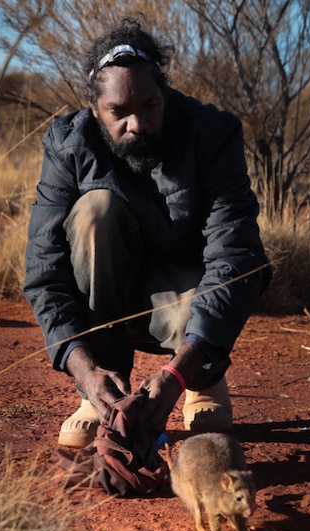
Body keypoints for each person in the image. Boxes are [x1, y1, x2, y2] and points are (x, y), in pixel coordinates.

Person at [24, 18, 269, 449]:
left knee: (202, 313)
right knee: (93, 212)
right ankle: (100, 395)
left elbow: (236, 258)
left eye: (149, 105)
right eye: (119, 111)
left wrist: (179, 374)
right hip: (112, 293)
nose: (136, 123)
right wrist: (84, 370)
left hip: (184, 293)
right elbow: (46, 270)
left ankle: (204, 381)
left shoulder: (211, 133)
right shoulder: (68, 144)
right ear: (95, 106)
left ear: (165, 91)